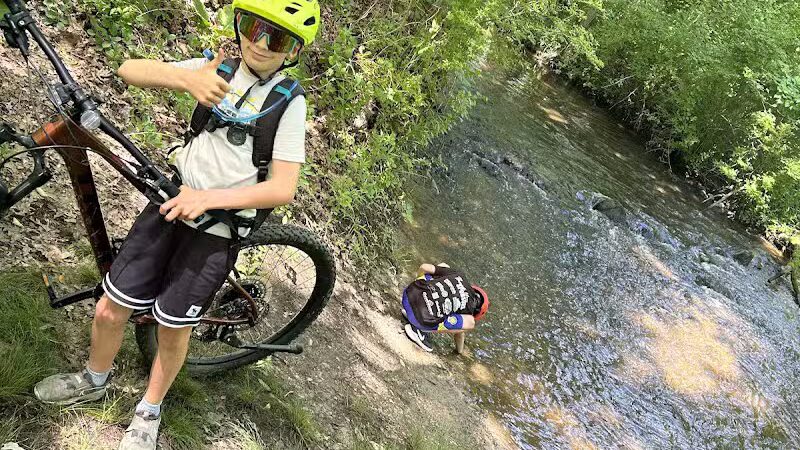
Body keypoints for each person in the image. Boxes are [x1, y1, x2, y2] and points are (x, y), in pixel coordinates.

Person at [32, 0, 320, 448]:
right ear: (240, 24)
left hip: (217, 229)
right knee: (110, 306)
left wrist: (207, 199)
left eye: (277, 38)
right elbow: (129, 69)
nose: (260, 44)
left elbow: (282, 188)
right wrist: (186, 78)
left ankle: (149, 410)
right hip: (169, 203)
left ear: (293, 51)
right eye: (253, 27)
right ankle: (93, 379)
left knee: (172, 328)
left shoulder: (289, 105)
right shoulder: (216, 68)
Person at [402, 263, 489, 354]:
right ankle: (419, 330)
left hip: (408, 295)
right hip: (420, 318)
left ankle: (413, 310)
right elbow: (459, 334)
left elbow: (424, 267)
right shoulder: (468, 311)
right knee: (470, 322)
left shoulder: (459, 274)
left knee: (443, 268)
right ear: (477, 312)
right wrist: (460, 351)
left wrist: (418, 283)